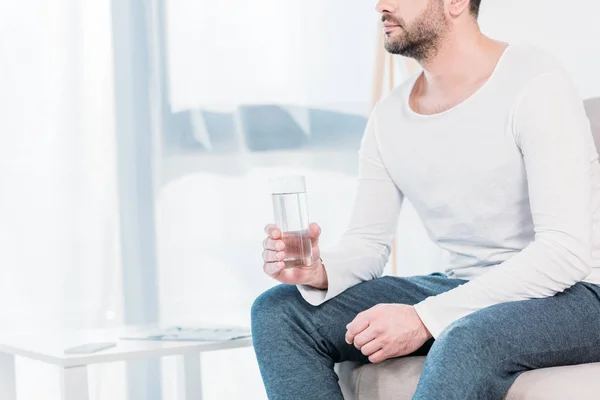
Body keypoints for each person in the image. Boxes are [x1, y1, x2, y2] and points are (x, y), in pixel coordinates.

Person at [252, 0, 600, 398]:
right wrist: (320, 271)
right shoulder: (389, 117)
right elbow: (368, 242)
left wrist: (425, 318)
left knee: (467, 338)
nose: (381, 5)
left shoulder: (536, 82)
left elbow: (564, 253)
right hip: (465, 284)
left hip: (579, 293)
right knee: (280, 311)